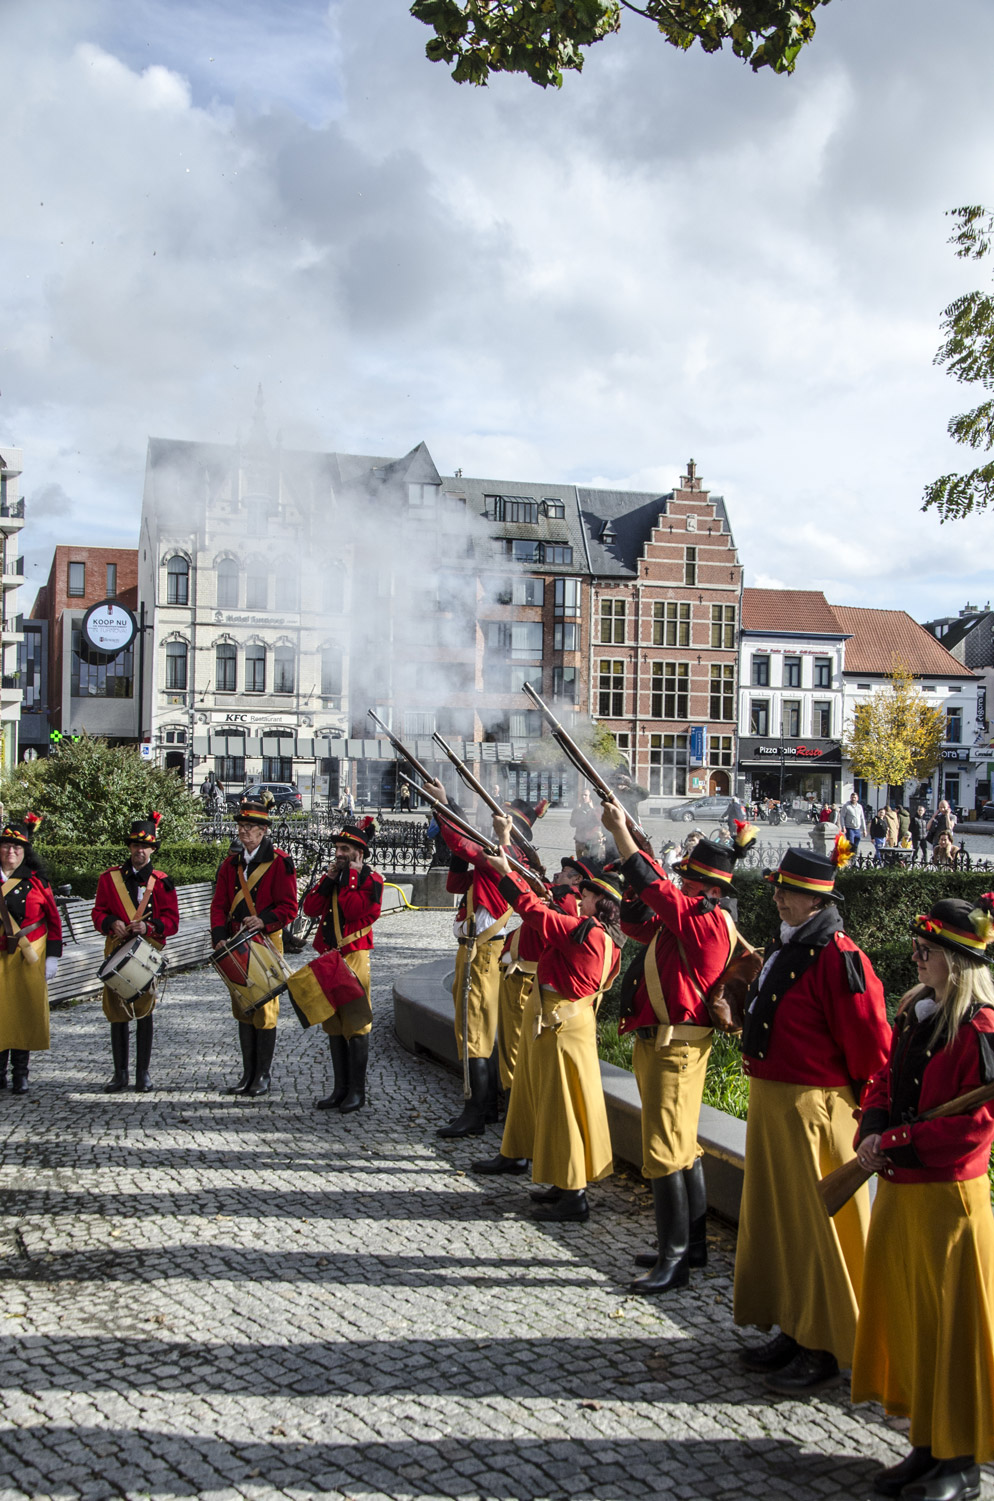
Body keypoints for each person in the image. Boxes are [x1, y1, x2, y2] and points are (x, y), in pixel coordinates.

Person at [733, 843, 891, 1393]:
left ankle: (822, 1346)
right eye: (778, 888)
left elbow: (873, 1050)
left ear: (814, 900)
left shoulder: (840, 958)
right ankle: (795, 1326)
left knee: (816, 1233)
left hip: (816, 1112)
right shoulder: (794, 945)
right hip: (779, 1106)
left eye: (786, 891)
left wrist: (868, 1119)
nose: (776, 897)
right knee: (784, 1226)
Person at [851, 897, 994, 1501]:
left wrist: (897, 1141)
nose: (916, 959)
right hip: (905, 1192)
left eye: (926, 952)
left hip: (946, 1204)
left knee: (950, 1332)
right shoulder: (919, 1010)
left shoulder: (982, 1028)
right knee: (913, 1321)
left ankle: (958, 1460)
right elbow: (885, 1074)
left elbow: (976, 1127)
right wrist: (871, 1124)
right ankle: (925, 1444)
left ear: (958, 964)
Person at [604, 801, 756, 1292]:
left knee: (665, 1149)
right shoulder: (687, 918)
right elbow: (635, 921)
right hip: (663, 1042)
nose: (680, 885)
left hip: (677, 1045)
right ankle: (692, 1247)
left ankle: (673, 1261)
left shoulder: (709, 921)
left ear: (712, 891)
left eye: (689, 881)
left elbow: (656, 889)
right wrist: (635, 867)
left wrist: (625, 838)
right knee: (682, 1146)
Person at [482, 815, 622, 1223]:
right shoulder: (605, 938)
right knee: (561, 1107)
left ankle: (573, 1195)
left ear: (602, 903)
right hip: (568, 1025)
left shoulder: (585, 933)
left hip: (561, 1027)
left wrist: (506, 873)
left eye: (590, 894)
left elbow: (531, 910)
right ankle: (563, 1184)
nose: (583, 897)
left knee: (563, 1111)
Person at [423, 777, 513, 1137]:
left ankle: (475, 1113)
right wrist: (460, 855)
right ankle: (486, 1107)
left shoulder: (505, 858)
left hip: (482, 952)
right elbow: (455, 884)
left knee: (474, 1031)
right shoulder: (491, 862)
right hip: (476, 951)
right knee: (475, 1029)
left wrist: (443, 803)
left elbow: (462, 840)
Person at [210, 796, 298, 1099]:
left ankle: (262, 1075)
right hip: (236, 943)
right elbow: (219, 904)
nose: (243, 832)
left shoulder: (280, 863)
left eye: (249, 827)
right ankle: (247, 1074)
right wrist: (219, 936)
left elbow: (289, 907)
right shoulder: (230, 864)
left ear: (263, 832)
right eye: (241, 826)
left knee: (265, 1011)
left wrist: (264, 920)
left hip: (264, 942)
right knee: (243, 1008)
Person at [91, 813, 180, 1093]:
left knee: (144, 1012)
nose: (139, 851)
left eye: (145, 847)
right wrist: (109, 922)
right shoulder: (110, 878)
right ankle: (120, 1074)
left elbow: (172, 921)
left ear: (153, 849)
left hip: (145, 951)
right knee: (117, 1013)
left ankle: (143, 1073)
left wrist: (149, 926)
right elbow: (98, 912)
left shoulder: (162, 882)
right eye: (134, 846)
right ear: (129, 848)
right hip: (117, 948)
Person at [302, 817, 383, 1114]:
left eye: (345, 849)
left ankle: (356, 1092)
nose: (339, 853)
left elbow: (352, 911)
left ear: (359, 853)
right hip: (330, 957)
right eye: (337, 847)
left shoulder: (372, 880)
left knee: (356, 1023)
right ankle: (339, 1089)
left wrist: (350, 876)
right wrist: (328, 879)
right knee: (334, 1024)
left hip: (354, 956)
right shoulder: (334, 878)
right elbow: (310, 908)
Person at [0, 815, 62, 1095]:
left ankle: (20, 1074)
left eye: (17, 847)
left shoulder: (38, 882)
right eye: (5, 846)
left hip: (30, 956)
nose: (10, 852)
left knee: (24, 1014)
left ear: (25, 852)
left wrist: (53, 956)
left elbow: (54, 920)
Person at [570, 787, 605, 861]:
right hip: (580, 839)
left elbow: (599, 822)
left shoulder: (596, 808)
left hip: (592, 840)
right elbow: (572, 823)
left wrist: (592, 809)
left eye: (586, 795)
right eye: (582, 795)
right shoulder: (577, 809)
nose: (583, 797)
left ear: (590, 797)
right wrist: (577, 811)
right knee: (580, 862)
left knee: (593, 861)